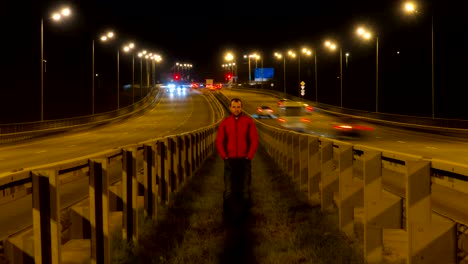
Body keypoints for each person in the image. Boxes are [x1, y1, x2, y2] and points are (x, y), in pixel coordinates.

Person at [216, 97, 259, 223]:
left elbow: (254, 140)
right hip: (230, 161)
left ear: (241, 108)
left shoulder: (248, 122)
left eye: (238, 107)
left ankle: (246, 216)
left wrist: (249, 156)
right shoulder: (225, 123)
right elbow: (219, 141)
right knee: (229, 190)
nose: (236, 109)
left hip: (244, 161)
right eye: (234, 107)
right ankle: (227, 216)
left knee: (244, 190)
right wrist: (224, 156)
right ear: (230, 108)